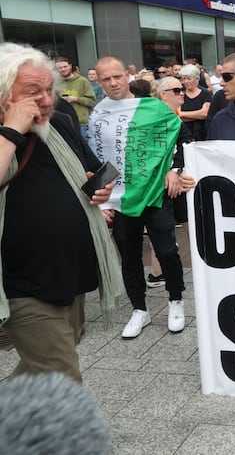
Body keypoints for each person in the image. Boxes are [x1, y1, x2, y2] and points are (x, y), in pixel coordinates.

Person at [0, 43, 124, 382]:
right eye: (31, 91)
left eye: (49, 89)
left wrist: (99, 188)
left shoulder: (60, 124)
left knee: (46, 363)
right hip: (21, 282)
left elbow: (92, 171)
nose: (45, 99)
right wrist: (12, 128)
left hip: (70, 272)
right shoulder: (6, 136)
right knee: (62, 377)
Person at [88, 56, 195, 340]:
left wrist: (175, 169)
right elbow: (96, 159)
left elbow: (182, 138)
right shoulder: (98, 114)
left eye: (117, 77)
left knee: (168, 251)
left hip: (155, 193)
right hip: (120, 198)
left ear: (127, 76)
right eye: (105, 79)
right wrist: (100, 201)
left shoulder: (153, 107)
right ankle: (139, 309)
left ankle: (176, 300)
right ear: (98, 81)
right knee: (131, 256)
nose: (112, 83)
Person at [54, 56, 96, 139]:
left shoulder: (82, 81)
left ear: (70, 66)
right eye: (60, 68)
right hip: (64, 125)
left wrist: (76, 99)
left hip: (81, 124)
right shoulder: (56, 83)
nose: (63, 69)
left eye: (65, 66)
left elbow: (92, 101)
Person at [178, 64, 212, 141]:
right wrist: (197, 115)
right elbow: (177, 116)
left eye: (189, 79)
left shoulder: (205, 93)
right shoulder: (180, 93)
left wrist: (182, 114)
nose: (186, 81)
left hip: (202, 133)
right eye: (184, 79)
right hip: (184, 133)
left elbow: (204, 114)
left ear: (197, 79)